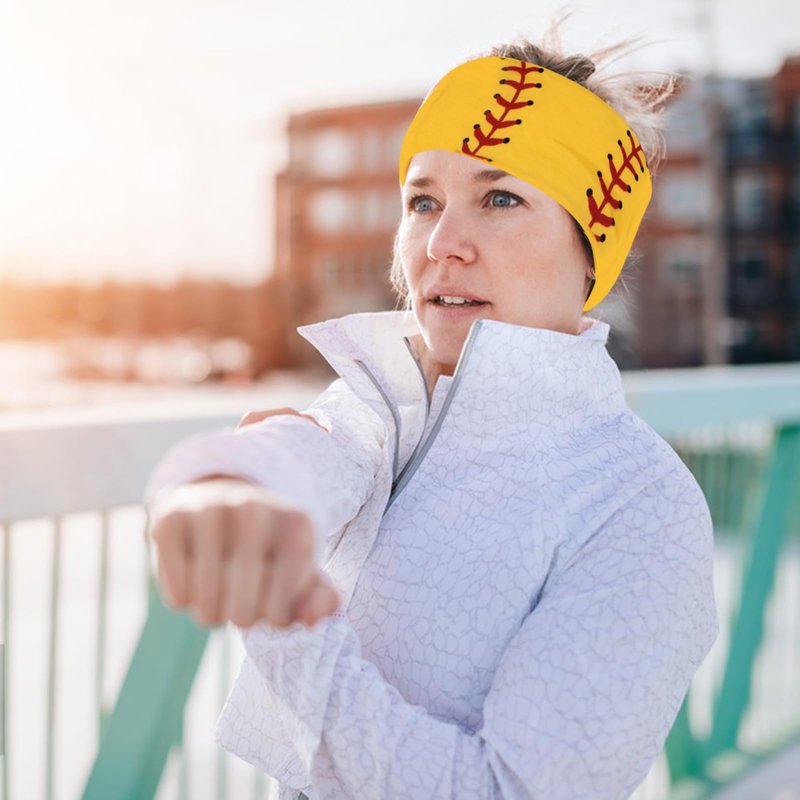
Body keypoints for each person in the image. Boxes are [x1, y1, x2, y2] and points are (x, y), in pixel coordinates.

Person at [143, 19, 720, 800]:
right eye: (423, 201)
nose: (443, 241)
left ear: (592, 252)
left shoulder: (640, 508)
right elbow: (302, 457)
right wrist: (218, 484)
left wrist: (291, 624)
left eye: (501, 198)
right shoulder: (382, 408)